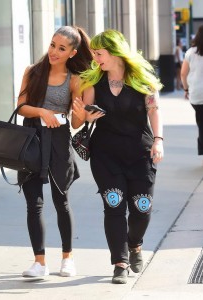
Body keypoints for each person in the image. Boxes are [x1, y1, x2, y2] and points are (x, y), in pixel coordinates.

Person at [72, 29, 164, 284]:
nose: (95, 58)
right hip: (106, 155)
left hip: (140, 152)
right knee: (114, 205)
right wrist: (85, 117)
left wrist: (158, 141)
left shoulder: (141, 78)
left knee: (141, 208)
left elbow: (155, 111)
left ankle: (134, 244)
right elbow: (76, 120)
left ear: (114, 53)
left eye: (99, 53)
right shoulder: (93, 81)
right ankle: (119, 262)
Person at [16, 25, 93, 278]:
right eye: (52, 45)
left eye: (61, 48)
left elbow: (75, 124)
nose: (54, 52)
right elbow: (21, 107)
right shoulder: (33, 72)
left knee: (62, 202)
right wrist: (42, 112)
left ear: (72, 52)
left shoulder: (75, 80)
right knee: (33, 204)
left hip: (59, 141)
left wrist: (80, 115)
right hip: (31, 139)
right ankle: (39, 262)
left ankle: (67, 258)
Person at [181, 25, 203, 156]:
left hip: (196, 94)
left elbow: (183, 74)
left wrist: (186, 89)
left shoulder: (190, 52)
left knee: (201, 124)